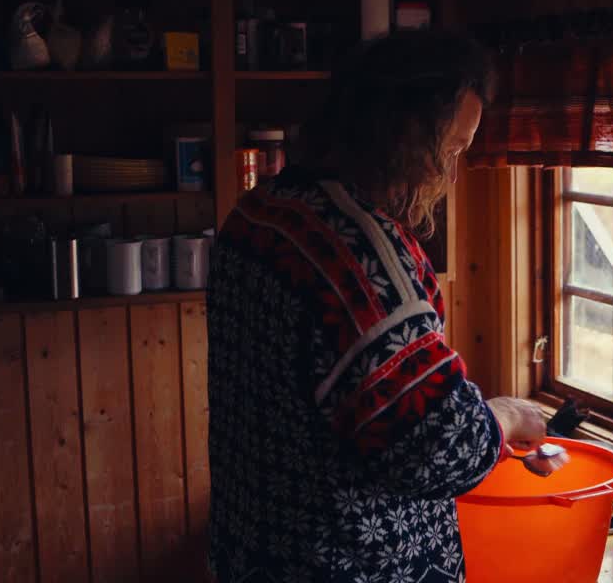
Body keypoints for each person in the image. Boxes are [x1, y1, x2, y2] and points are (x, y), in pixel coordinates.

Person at [207, 31, 550, 583]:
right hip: (346, 563)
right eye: (453, 150)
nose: (453, 176)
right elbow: (440, 447)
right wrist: (506, 416)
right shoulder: (359, 256)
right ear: (404, 137)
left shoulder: (261, 212)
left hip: (254, 548)